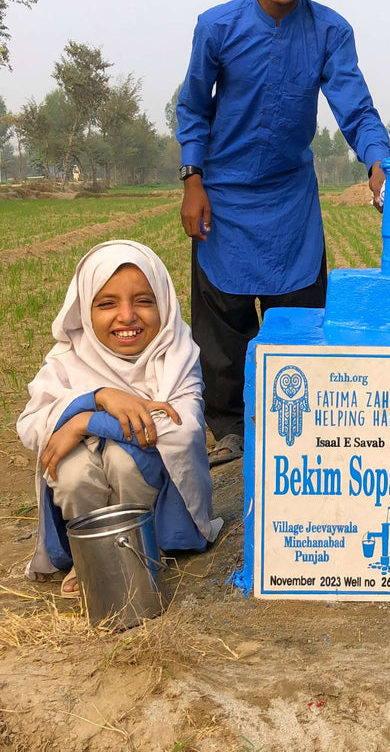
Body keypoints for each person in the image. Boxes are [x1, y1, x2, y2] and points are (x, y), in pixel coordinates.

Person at [176, 0, 390, 466]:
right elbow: (193, 108)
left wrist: (378, 161)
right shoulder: (216, 27)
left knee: (299, 324)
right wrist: (193, 178)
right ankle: (227, 433)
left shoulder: (330, 32)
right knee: (221, 335)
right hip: (222, 199)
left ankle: (295, 435)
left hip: (291, 204)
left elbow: (357, 109)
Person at [17, 241, 223, 598]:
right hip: (85, 490)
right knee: (72, 472)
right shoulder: (68, 359)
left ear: (164, 302)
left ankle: (143, 548)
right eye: (107, 304)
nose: (127, 316)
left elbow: (184, 429)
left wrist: (83, 423)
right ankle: (91, 557)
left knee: (123, 461)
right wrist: (100, 398)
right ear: (85, 309)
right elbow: (31, 425)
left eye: (144, 301)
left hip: (151, 497)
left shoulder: (175, 352)